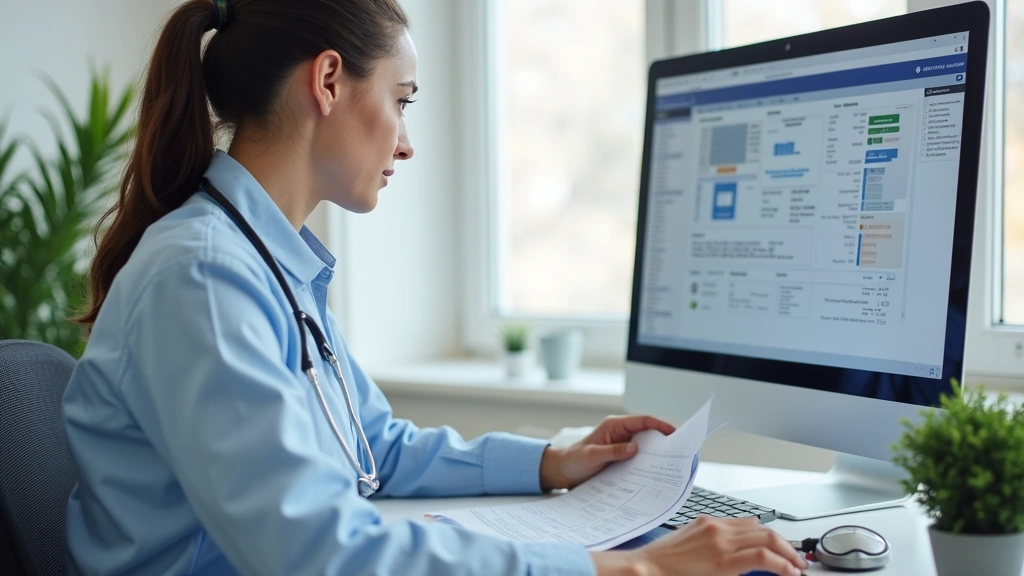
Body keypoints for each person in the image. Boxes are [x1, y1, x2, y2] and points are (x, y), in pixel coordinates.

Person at [62, 1, 810, 575]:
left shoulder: (263, 262)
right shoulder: (203, 275)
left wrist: (552, 462)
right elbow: (314, 549)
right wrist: (626, 565)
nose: (408, 141)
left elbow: (372, 453)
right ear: (328, 81)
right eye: (403, 99)